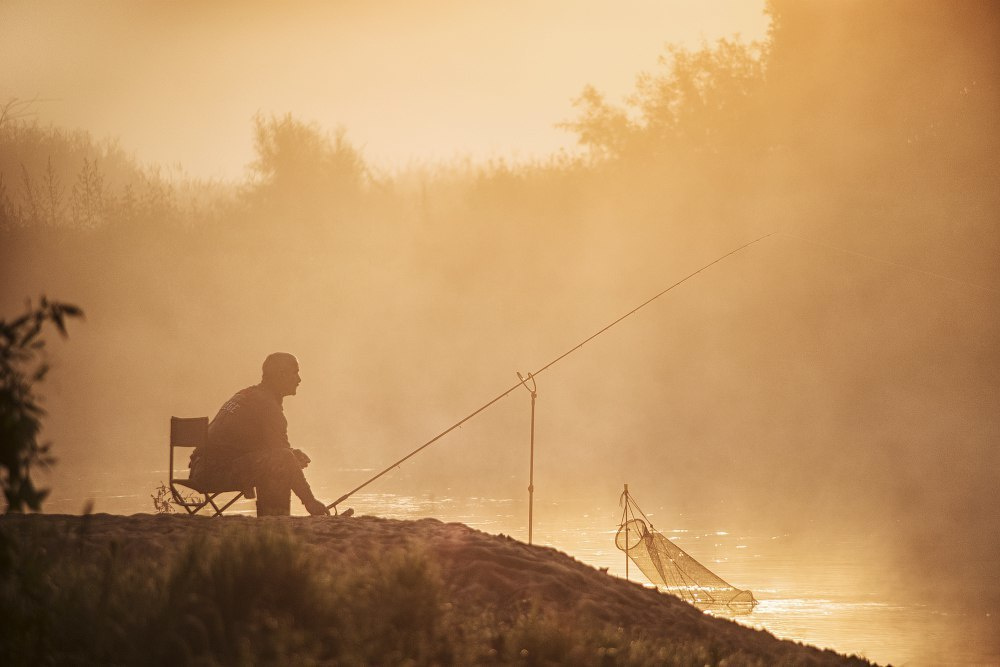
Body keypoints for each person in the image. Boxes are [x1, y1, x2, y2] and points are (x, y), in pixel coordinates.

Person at [189, 352, 330, 516]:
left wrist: (291, 455)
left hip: (200, 469)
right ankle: (275, 518)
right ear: (281, 375)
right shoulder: (268, 406)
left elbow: (259, 446)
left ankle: (272, 517)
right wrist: (309, 500)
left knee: (281, 459)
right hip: (215, 473)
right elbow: (282, 455)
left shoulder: (247, 394)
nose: (299, 380)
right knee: (281, 461)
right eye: (295, 372)